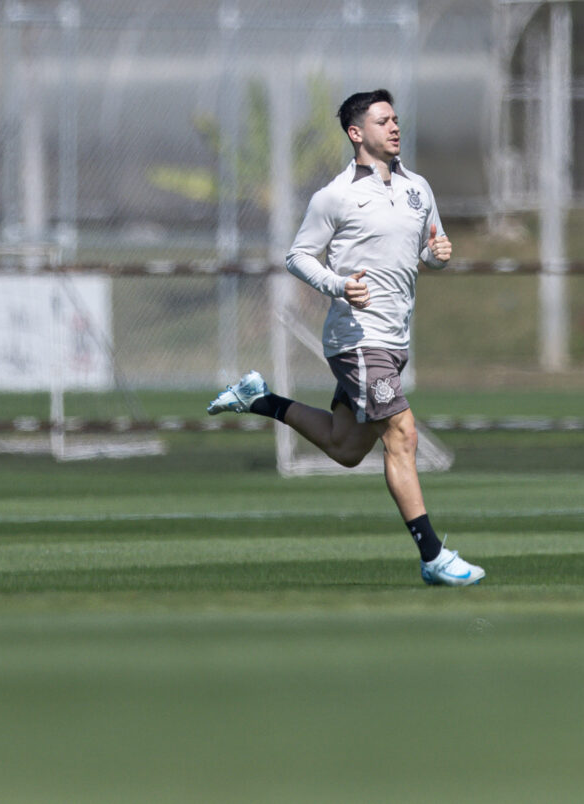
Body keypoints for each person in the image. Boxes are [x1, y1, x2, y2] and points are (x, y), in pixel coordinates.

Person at [207, 88, 485, 587]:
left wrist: (438, 254)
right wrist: (338, 285)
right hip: (357, 340)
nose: (395, 127)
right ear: (357, 134)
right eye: (383, 121)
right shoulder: (335, 195)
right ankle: (433, 556)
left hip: (394, 339)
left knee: (346, 447)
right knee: (403, 435)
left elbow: (429, 249)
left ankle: (260, 399)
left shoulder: (418, 187)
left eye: (396, 118)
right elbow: (298, 256)